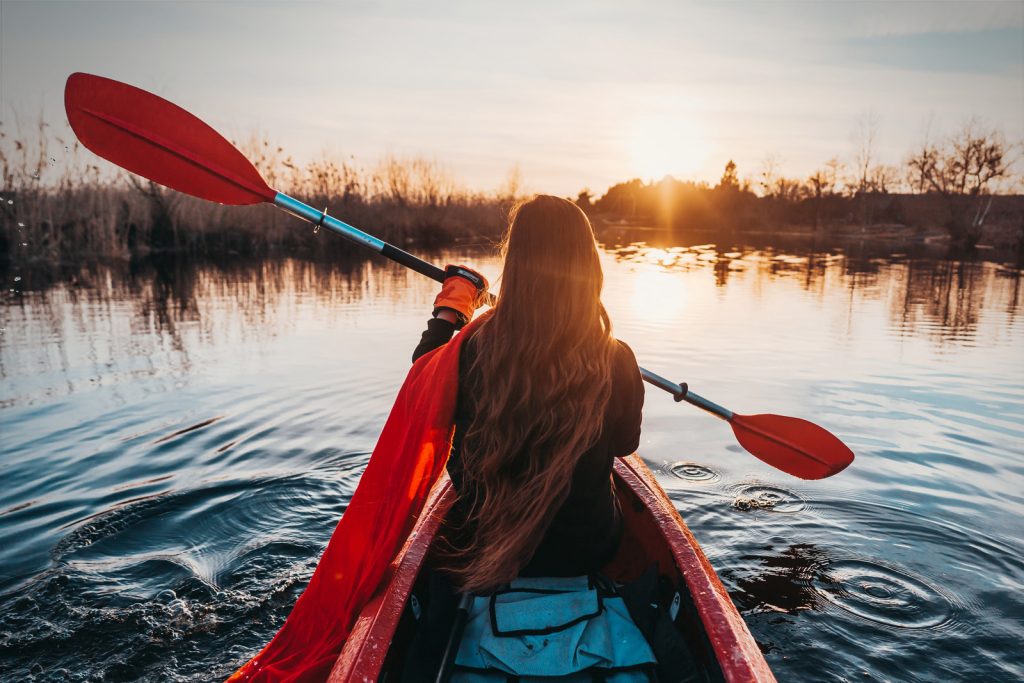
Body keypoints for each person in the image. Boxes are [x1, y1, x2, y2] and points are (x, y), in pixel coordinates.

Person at [412, 194, 645, 594]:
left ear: (515, 262)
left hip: (481, 545)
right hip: (587, 551)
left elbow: (422, 378)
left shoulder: (471, 348)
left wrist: (452, 307)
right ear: (588, 265)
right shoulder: (616, 358)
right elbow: (625, 445)